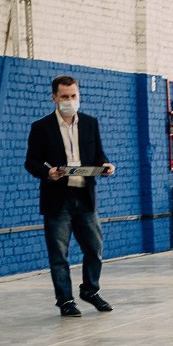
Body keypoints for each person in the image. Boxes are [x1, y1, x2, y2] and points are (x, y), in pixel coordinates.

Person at [23, 75, 115, 317]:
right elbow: (30, 162)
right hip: (57, 199)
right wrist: (48, 172)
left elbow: (99, 155)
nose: (69, 101)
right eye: (64, 97)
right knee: (59, 254)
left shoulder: (90, 123)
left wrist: (106, 166)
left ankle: (90, 290)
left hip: (85, 197)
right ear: (54, 97)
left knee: (94, 248)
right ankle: (65, 301)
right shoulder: (41, 128)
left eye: (74, 96)